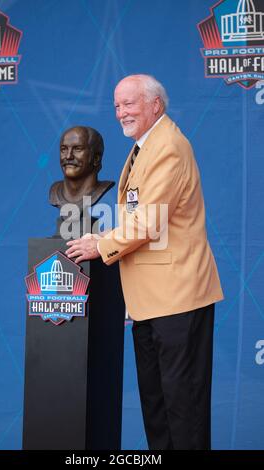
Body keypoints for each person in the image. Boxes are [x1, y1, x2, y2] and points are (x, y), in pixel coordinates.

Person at [65, 74, 224, 450]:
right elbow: (144, 219)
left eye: (129, 103)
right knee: (157, 409)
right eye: (117, 105)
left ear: (156, 104)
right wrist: (104, 240)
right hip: (149, 302)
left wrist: (100, 245)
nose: (121, 112)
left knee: (183, 409)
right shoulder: (144, 147)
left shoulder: (168, 146)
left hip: (178, 299)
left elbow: (149, 221)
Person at [49, 126, 115, 236]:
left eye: (77, 149)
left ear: (96, 158)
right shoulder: (54, 192)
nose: (69, 156)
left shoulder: (100, 190)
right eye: (63, 149)